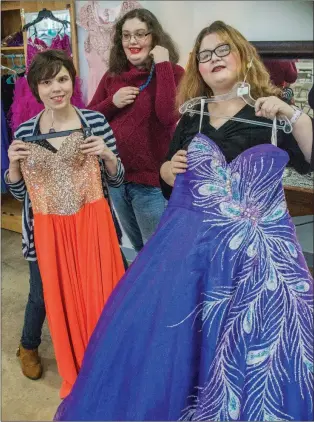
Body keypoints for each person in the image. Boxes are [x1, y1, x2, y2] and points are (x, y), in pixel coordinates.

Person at [54, 22, 313, 421]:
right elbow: (171, 183)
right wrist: (167, 171)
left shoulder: (273, 113)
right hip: (193, 255)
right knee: (183, 346)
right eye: (204, 55)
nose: (213, 60)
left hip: (261, 262)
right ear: (198, 69)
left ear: (242, 56)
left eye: (222, 50)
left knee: (255, 352)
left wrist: (294, 114)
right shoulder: (191, 118)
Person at [5, 50, 125, 398]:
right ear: (36, 88)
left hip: (92, 226)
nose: (56, 88)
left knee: (99, 292)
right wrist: (12, 167)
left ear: (72, 81)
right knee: (42, 294)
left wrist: (107, 155)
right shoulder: (26, 131)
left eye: (62, 79)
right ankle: (29, 346)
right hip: (43, 229)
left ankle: (100, 357)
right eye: (47, 82)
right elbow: (19, 191)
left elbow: (117, 180)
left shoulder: (95, 123)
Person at [88, 8, 184, 253]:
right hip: (117, 178)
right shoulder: (113, 77)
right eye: (126, 35)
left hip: (151, 182)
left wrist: (162, 63)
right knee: (141, 249)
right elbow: (87, 120)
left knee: (158, 252)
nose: (133, 41)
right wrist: (112, 102)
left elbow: (167, 115)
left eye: (140, 34)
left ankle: (162, 292)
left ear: (154, 38)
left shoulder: (173, 73)